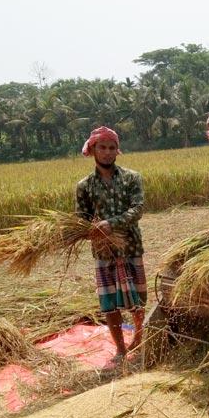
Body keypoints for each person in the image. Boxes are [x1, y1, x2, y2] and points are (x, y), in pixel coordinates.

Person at [75, 126, 147, 368]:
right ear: (92, 149)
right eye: (102, 148)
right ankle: (120, 348)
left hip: (130, 246)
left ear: (118, 150)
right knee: (109, 304)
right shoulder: (84, 186)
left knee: (138, 299)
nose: (107, 152)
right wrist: (89, 230)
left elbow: (137, 209)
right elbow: (80, 219)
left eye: (112, 148)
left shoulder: (131, 178)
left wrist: (111, 223)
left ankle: (139, 337)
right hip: (104, 252)